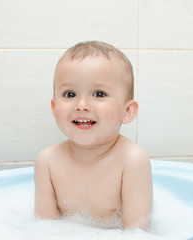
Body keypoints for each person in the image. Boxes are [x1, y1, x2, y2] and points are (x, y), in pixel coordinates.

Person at [34, 41, 152, 230]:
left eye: (99, 93)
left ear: (127, 111)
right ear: (55, 108)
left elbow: (136, 233)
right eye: (70, 94)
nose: (81, 104)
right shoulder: (47, 161)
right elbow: (43, 230)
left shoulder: (132, 160)